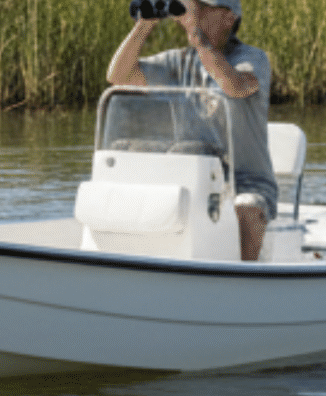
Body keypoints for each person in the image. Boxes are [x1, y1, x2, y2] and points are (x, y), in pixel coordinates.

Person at [107, 0, 275, 261]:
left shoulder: (252, 59)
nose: (191, 13)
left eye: (200, 7)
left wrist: (200, 41)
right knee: (128, 156)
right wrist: (144, 24)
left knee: (248, 205)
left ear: (228, 18)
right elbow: (119, 76)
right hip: (190, 175)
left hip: (244, 180)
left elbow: (234, 86)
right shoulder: (178, 60)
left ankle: (245, 277)